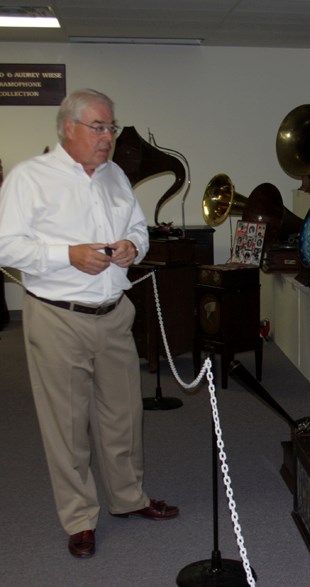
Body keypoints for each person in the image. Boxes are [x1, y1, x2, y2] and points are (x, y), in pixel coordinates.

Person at [0, 88, 178, 558]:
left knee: (123, 415)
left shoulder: (115, 175)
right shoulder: (29, 178)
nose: (108, 137)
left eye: (111, 127)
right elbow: (6, 247)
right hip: (58, 317)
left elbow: (138, 229)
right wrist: (68, 256)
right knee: (66, 424)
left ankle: (127, 498)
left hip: (114, 315)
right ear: (68, 128)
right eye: (98, 127)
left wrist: (131, 247)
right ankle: (79, 518)